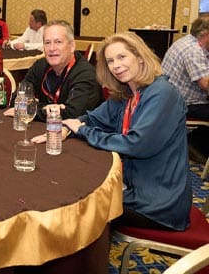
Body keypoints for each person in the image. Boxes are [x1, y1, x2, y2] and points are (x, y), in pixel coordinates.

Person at [63, 32, 191, 231]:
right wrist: (69, 127)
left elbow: (136, 144)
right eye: (110, 61)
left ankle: (89, 262)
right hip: (131, 187)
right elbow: (93, 118)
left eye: (122, 57)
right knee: (73, 189)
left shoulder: (162, 93)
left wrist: (84, 131)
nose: (116, 65)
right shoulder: (127, 94)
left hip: (157, 202)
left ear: (140, 57)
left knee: (76, 209)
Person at [4, 20, 102, 121]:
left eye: (58, 42)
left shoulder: (86, 74)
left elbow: (73, 113)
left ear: (72, 46)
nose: (52, 48)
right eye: (47, 43)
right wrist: (49, 108)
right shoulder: (40, 66)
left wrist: (33, 108)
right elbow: (17, 99)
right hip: (41, 129)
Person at [161, 16, 209, 120]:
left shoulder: (186, 41)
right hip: (186, 104)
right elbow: (206, 84)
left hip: (171, 98)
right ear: (206, 34)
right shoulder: (194, 50)